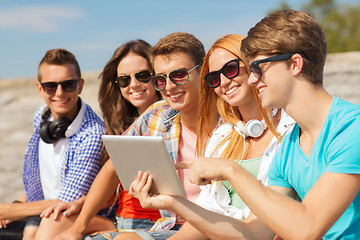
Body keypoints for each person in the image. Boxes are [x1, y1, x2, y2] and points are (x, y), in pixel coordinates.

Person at [167, 10, 360, 240]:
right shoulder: (289, 145)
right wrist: (174, 202)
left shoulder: (351, 128)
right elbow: (255, 233)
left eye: (258, 68)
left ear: (295, 64)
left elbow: (307, 229)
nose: (251, 79)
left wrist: (230, 169)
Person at [35, 32, 205, 240]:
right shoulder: (151, 118)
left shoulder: (218, 125)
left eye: (143, 76)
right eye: (124, 80)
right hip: (143, 223)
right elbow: (110, 172)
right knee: (52, 225)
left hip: (165, 224)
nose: (133, 85)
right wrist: (77, 225)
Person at [126, 33, 295, 240]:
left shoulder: (291, 130)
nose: (223, 82)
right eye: (214, 78)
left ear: (253, 68)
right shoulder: (222, 137)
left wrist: (229, 169)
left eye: (231, 69)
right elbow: (207, 217)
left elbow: (259, 231)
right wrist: (170, 202)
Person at [0, 48, 111, 240]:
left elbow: (67, 201)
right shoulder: (41, 116)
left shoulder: (92, 134)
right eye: (50, 86)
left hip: (83, 213)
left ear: (80, 85)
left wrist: (9, 211)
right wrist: (19, 203)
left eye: (68, 85)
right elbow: (42, 176)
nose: (59, 93)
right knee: (30, 232)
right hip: (46, 207)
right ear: (39, 88)